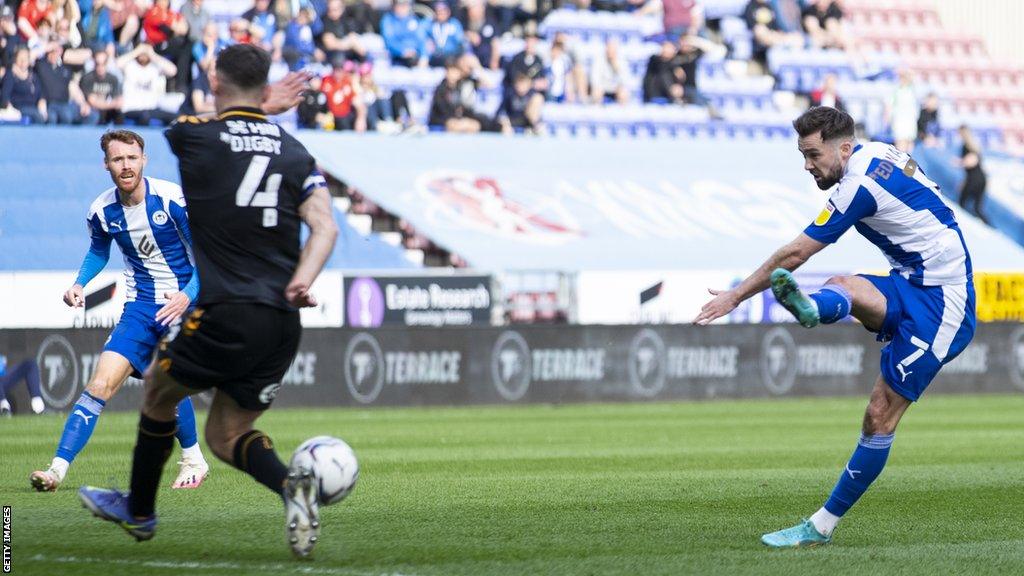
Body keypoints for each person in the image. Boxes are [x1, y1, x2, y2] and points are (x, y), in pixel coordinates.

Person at [78, 44, 339, 558]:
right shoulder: (295, 152)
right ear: (265, 87)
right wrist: (301, 280)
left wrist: (258, 106)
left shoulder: (194, 136)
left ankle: (140, 511)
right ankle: (293, 487)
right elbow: (325, 227)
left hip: (225, 311)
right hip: (282, 319)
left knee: (157, 390)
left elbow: (221, 123)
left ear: (216, 83)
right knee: (227, 434)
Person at [695, 106, 975, 547]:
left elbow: (794, 255)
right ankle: (812, 308)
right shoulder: (876, 153)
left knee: (879, 416)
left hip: (944, 304)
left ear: (843, 147)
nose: (808, 166)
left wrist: (736, 295)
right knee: (844, 284)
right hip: (910, 281)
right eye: (803, 156)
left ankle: (821, 526)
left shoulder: (857, 186)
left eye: (812, 155)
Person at [30, 130, 209, 493]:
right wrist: (80, 283)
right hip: (140, 309)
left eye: (131, 158)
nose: (125, 166)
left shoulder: (171, 199)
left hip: (180, 306)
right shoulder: (101, 210)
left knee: (166, 382)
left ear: (144, 159)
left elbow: (208, 257)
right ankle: (56, 471)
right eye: (117, 159)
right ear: (106, 164)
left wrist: (188, 295)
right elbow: (99, 251)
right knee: (100, 384)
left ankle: (193, 459)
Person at [0, 45, 46, 123]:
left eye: (25, 58)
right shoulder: (10, 75)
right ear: (15, 59)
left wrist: (42, 105)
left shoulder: (33, 76)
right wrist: (10, 109)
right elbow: (5, 96)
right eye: (20, 58)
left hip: (33, 107)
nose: (23, 61)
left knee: (49, 116)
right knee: (38, 116)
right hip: (18, 107)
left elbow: (41, 94)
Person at [957, 124, 989, 225]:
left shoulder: (968, 146)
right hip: (979, 178)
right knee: (977, 208)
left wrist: (960, 162)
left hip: (975, 179)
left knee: (962, 202)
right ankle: (990, 227)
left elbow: (973, 161)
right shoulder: (973, 145)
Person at [80, 49, 123, 124]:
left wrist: (104, 103)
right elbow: (92, 102)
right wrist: (111, 104)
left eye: (103, 63)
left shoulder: (113, 79)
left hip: (107, 111)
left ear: (107, 64)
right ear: (94, 63)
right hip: (91, 110)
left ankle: (119, 135)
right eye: (98, 64)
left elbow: (119, 102)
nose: (100, 67)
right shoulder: (87, 78)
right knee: (95, 114)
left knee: (119, 113)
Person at [381, 0, 427, 67]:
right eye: (400, 4)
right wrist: (403, 51)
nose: (403, 7)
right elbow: (389, 40)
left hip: (415, 57)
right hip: (396, 59)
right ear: (394, 6)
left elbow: (421, 39)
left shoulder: (414, 19)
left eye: (406, 4)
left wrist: (424, 56)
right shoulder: (388, 20)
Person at [887, 69, 918, 153]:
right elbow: (889, 105)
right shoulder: (896, 90)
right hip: (899, 120)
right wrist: (888, 118)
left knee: (910, 142)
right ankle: (901, 163)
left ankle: (909, 162)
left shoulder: (911, 90)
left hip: (910, 120)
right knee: (901, 143)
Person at [426, 1, 463, 67]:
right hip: (433, 58)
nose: (441, 13)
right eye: (438, 11)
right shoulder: (429, 23)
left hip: (450, 58)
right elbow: (421, 37)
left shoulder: (454, 24)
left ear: (448, 12)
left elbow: (460, 42)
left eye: (443, 11)